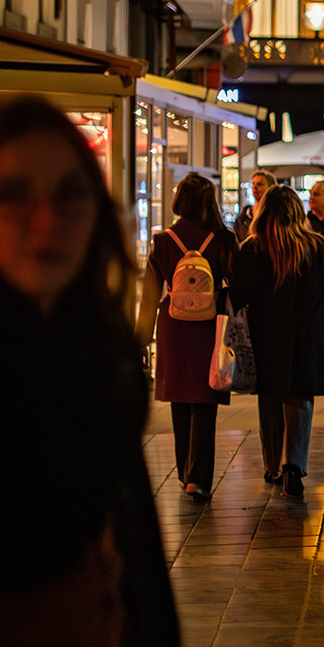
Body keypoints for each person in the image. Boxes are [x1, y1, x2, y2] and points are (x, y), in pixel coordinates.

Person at [0, 96, 181, 647]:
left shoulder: (99, 363)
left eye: (71, 194)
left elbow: (138, 567)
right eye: (12, 195)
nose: (45, 221)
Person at [231, 185, 324, 499]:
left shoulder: (253, 248)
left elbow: (238, 294)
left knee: (269, 397)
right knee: (301, 398)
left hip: (265, 336)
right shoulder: (315, 246)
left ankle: (271, 466)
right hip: (307, 335)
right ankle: (294, 466)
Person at [145, 173, 238, 500]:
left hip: (173, 327)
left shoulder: (163, 240)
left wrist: (141, 336)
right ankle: (197, 478)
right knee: (205, 401)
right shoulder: (223, 239)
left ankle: (185, 471)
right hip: (211, 328)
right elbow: (238, 286)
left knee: (180, 400)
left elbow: (150, 292)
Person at [235, 167, 277, 240]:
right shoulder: (243, 217)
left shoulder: (274, 214)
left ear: (270, 188)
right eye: (253, 183)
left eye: (259, 184)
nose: (254, 187)